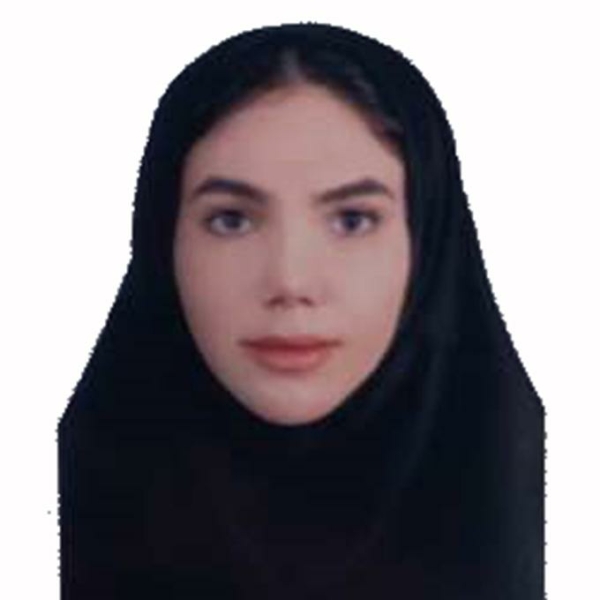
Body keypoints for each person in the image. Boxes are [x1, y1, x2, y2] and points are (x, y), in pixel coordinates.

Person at [58, 22, 545, 599]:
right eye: (232, 220)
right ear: (163, 241)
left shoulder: (517, 489)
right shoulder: (76, 487)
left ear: (427, 242)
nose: (290, 282)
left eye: (352, 220)